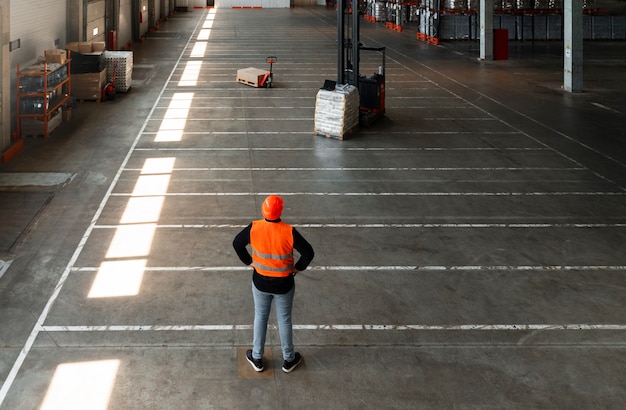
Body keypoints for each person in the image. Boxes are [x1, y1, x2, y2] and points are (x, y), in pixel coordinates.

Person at [233, 195, 314, 373]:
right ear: (281, 211)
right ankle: (289, 359)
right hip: (284, 285)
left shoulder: (254, 228)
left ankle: (257, 357)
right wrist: (297, 268)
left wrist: (249, 262)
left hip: (260, 283)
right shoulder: (289, 231)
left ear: (263, 210)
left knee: (260, 317)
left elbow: (237, 243)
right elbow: (308, 253)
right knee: (284, 320)